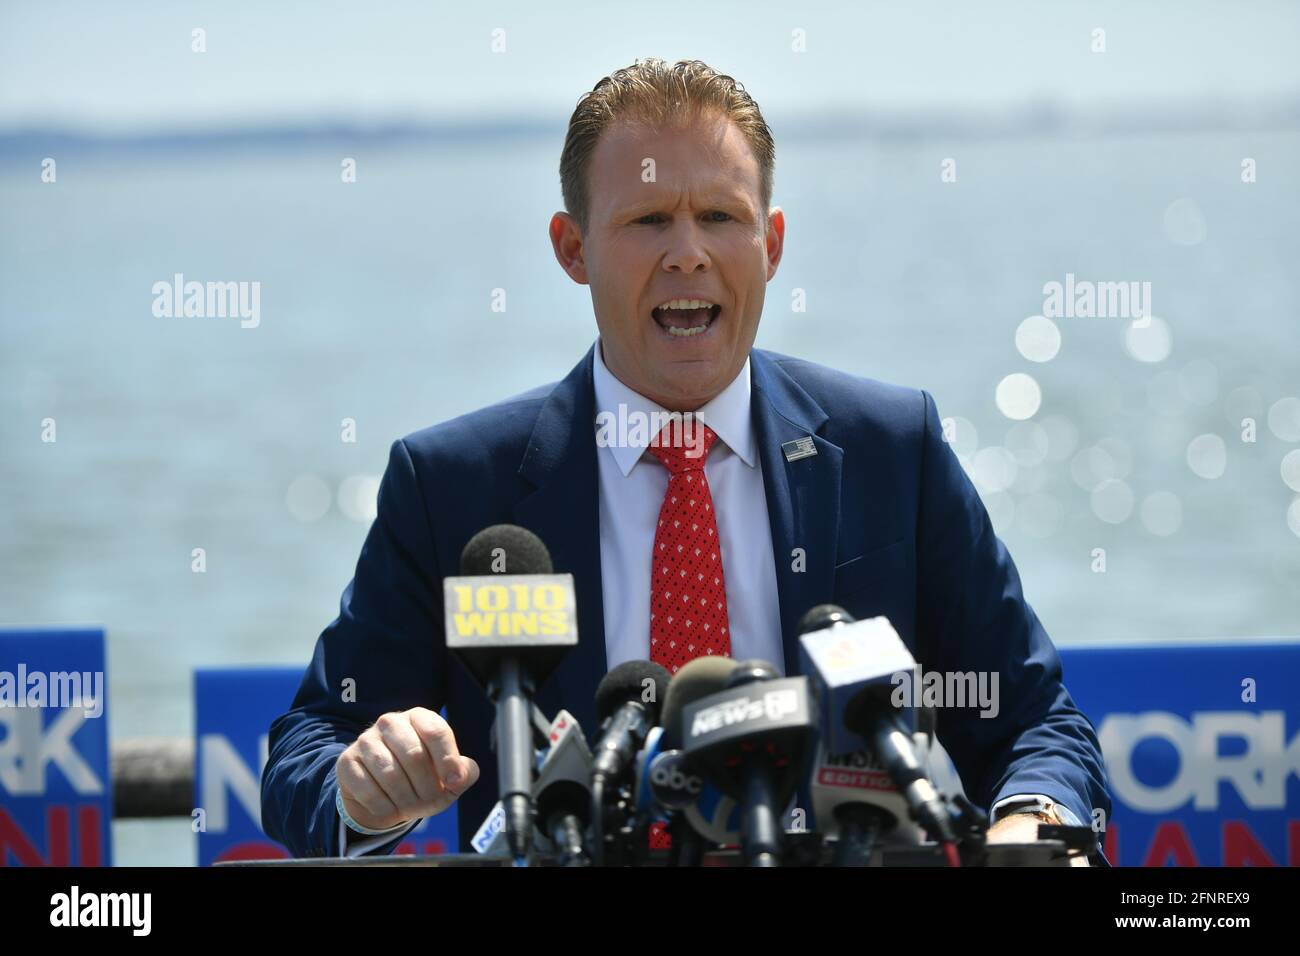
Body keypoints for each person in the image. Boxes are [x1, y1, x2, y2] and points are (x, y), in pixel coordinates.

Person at [261, 58, 1110, 861]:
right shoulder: (452, 485)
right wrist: (361, 787)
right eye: (647, 220)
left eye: (719, 217)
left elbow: (1035, 722)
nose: (688, 253)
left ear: (771, 244)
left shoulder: (895, 449)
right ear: (572, 249)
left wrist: (1034, 820)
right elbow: (305, 751)